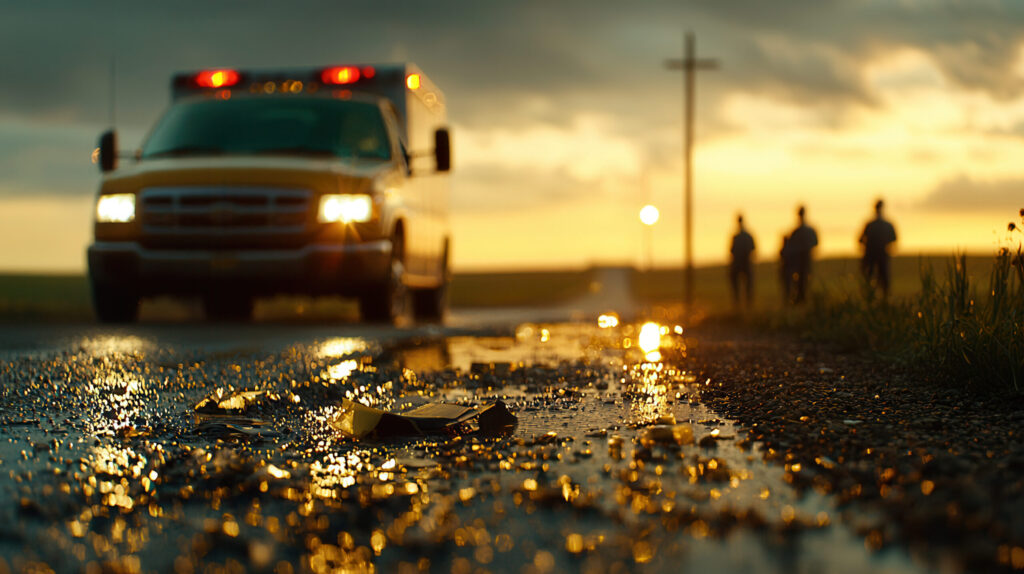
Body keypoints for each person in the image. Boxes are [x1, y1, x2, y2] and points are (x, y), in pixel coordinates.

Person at [859, 199, 897, 297]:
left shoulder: (870, 225)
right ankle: (882, 298)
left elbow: (860, 240)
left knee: (872, 277)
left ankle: (872, 297)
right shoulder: (887, 225)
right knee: (881, 279)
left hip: (873, 255)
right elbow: (893, 240)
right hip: (880, 254)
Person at [786, 205, 818, 304]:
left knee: (802, 281)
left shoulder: (797, 231)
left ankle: (801, 299)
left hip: (802, 260)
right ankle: (800, 299)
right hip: (801, 260)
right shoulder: (805, 230)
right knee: (801, 281)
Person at [729, 214, 756, 309]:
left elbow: (731, 251)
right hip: (744, 262)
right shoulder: (747, 236)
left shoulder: (737, 237)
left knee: (742, 284)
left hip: (742, 262)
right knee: (746, 284)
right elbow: (753, 249)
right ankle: (743, 304)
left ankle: (742, 304)